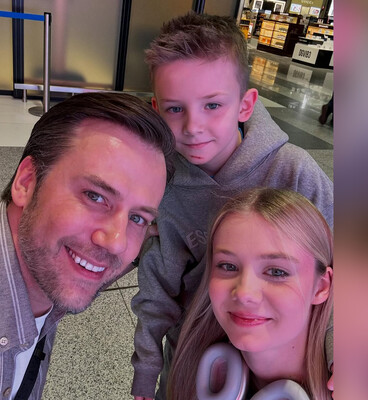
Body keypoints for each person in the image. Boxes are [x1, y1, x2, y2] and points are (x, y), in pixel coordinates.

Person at [130, 13, 334, 400]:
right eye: (175, 109)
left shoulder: (293, 171)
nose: (193, 127)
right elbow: (156, 286)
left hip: (288, 357)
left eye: (212, 105)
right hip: (193, 353)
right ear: (156, 109)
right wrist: (147, 367)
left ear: (245, 105)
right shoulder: (162, 185)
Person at [0, 92, 175, 400]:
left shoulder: (38, 283)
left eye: (137, 218)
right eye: (95, 196)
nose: (116, 242)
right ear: (26, 182)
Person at [167, 188, 333, 400]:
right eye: (228, 266)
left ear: (321, 287)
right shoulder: (190, 371)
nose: (244, 292)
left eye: (276, 272)